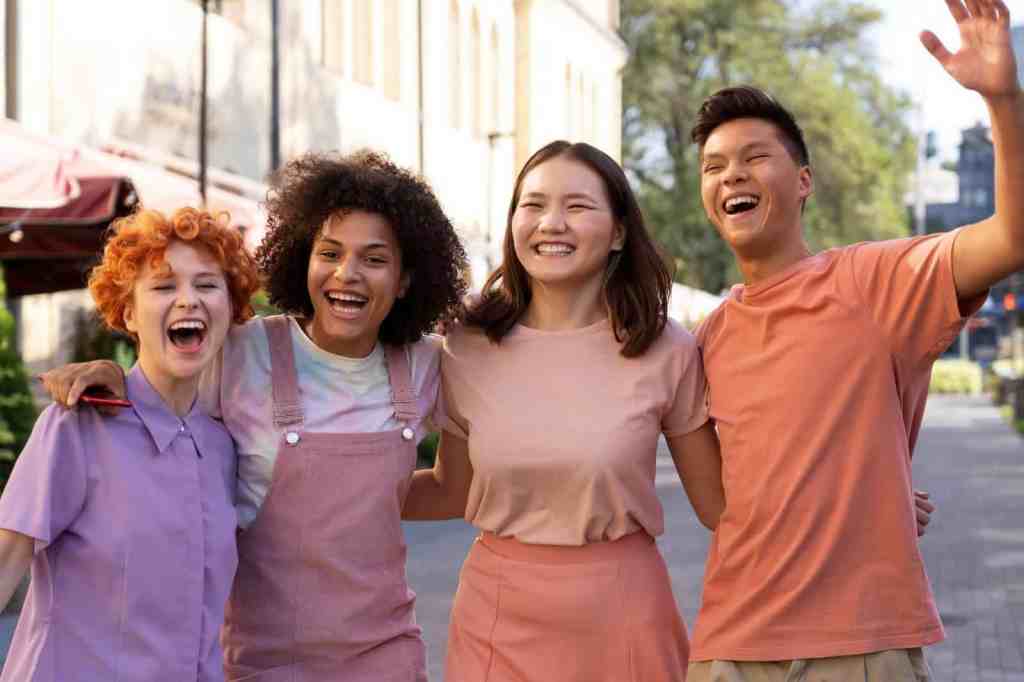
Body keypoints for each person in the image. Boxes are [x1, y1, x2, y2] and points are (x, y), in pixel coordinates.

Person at [685, 1, 1023, 680]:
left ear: (803, 182)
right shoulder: (708, 335)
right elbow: (733, 496)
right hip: (730, 647)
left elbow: (1013, 237)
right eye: (714, 166)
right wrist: (876, 486)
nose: (731, 176)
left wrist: (1002, 100)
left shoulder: (875, 281)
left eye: (755, 157)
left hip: (861, 648)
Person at [38, 150, 468, 681]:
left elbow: (454, 491)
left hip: (384, 657)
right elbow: (163, 390)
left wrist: (373, 502)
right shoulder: (242, 353)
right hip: (258, 662)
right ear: (301, 258)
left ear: (405, 280)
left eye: (375, 259)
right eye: (328, 252)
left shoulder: (429, 366)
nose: (347, 274)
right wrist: (113, 375)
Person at [402, 140, 725, 682]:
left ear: (619, 231)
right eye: (532, 205)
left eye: (577, 207)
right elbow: (451, 490)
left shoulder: (666, 348)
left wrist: (858, 503)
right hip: (497, 619)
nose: (551, 223)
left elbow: (723, 507)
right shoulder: (466, 346)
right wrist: (309, 491)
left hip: (624, 615)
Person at [0, 207, 260, 681]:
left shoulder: (225, 446)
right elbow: (4, 563)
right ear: (127, 313)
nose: (188, 301)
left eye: (206, 286)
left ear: (232, 307)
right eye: (164, 287)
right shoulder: (75, 427)